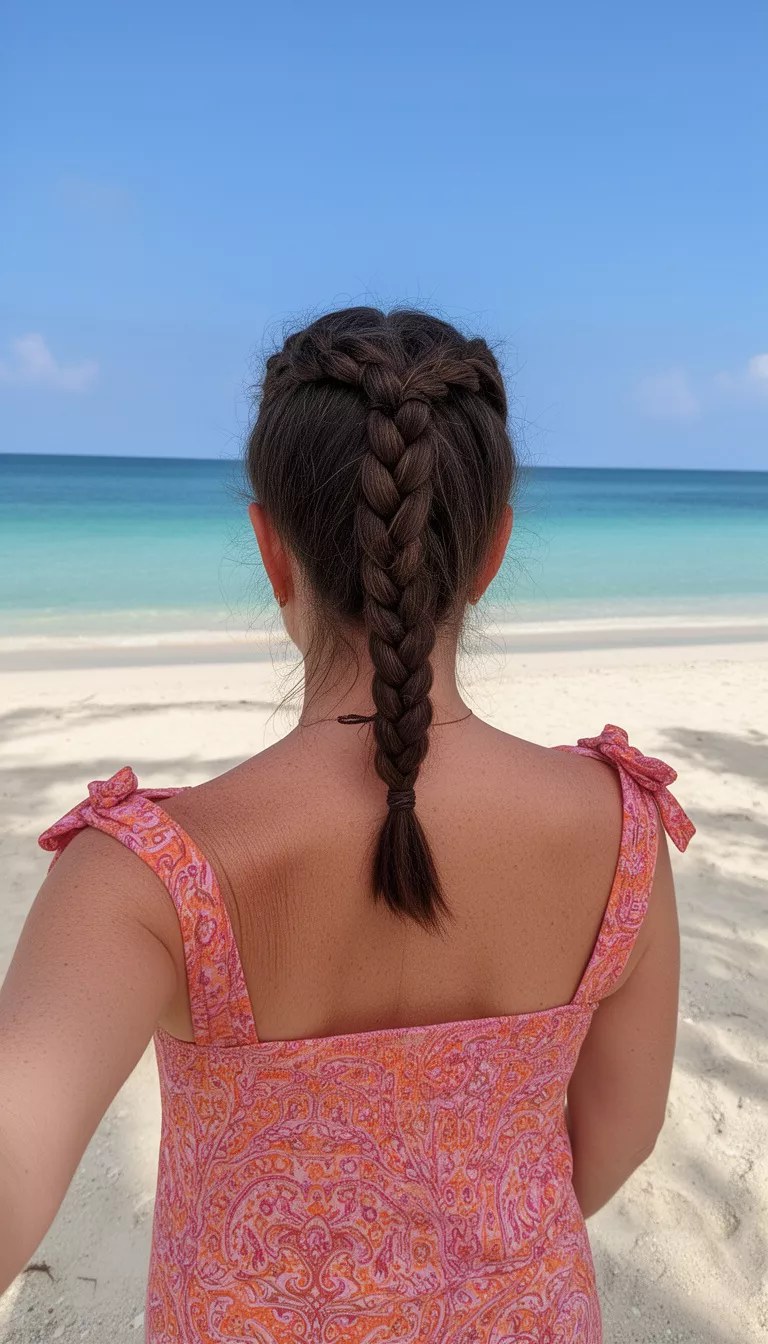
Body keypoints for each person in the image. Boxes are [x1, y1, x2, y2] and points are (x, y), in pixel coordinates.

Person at [0, 307, 694, 1342]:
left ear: (269, 548)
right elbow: (619, 1138)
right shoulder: (621, 832)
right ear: (493, 550)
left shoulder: (142, 877)